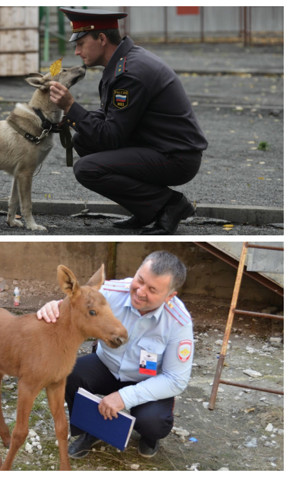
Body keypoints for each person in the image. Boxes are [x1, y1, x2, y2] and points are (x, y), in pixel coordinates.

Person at [50, 8, 208, 235]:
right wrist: (70, 118)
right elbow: (110, 119)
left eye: (81, 43)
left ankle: (170, 205)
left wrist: (70, 107)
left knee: (87, 169)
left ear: (102, 39)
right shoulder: (124, 62)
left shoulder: (129, 73)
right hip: (158, 146)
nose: (76, 52)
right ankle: (147, 210)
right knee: (83, 141)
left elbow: (111, 136)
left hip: (176, 157)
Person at [36, 251, 193, 459]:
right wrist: (53, 306)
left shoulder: (178, 322)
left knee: (153, 421)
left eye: (152, 289)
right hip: (106, 365)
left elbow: (176, 379)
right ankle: (89, 430)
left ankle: (148, 437)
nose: (140, 291)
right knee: (68, 374)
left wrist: (124, 397)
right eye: (140, 280)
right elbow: (73, 305)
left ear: (169, 296)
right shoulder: (110, 292)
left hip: (146, 378)